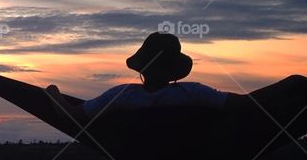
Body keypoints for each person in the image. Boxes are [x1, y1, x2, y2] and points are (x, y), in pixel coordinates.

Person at [45, 31, 229, 124]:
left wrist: (53, 93)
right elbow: (240, 105)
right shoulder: (193, 93)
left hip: (143, 159)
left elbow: (72, 117)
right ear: (174, 70)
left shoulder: (122, 96)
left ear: (142, 68)